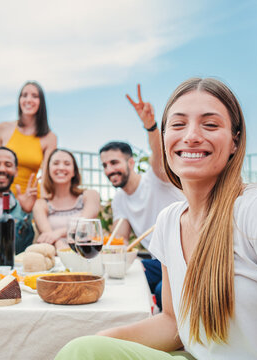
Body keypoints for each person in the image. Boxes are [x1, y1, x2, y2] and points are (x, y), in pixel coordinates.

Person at [56, 78, 257, 359]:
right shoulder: (169, 220)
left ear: (234, 141)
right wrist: (100, 343)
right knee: (82, 349)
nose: (192, 136)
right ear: (166, 137)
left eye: (210, 124)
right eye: (179, 124)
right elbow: (173, 323)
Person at [99, 85, 184, 309]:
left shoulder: (155, 177)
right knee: (119, 284)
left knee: (159, 291)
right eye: (105, 165)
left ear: (130, 162)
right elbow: (121, 239)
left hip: (186, 257)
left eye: (114, 163)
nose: (109, 170)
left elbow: (158, 154)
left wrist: (151, 126)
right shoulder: (119, 199)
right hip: (156, 262)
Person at [0, 81, 57, 196]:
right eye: (24, 95)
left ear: (41, 102)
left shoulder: (50, 138)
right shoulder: (3, 128)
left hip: (32, 198)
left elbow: (46, 178)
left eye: (34, 96)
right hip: (4, 197)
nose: (28, 100)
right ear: (19, 100)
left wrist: (43, 205)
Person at [33, 149, 101, 251]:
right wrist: (62, 248)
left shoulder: (90, 195)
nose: (61, 167)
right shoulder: (41, 204)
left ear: (74, 171)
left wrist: (58, 233)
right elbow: (48, 236)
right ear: (48, 170)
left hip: (87, 254)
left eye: (67, 164)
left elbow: (83, 224)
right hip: (56, 257)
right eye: (56, 163)